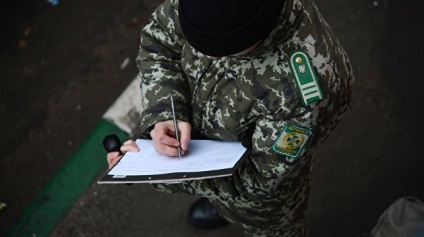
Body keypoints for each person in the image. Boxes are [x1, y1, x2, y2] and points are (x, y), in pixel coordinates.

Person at [106, 0, 354, 236]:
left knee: (273, 230)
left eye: (222, 51)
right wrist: (165, 113)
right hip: (213, 157)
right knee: (224, 200)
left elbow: (258, 181)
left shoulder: (304, 92)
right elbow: (159, 39)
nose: (206, 57)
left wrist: (154, 170)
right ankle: (222, 206)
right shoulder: (201, 8)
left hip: (264, 205)